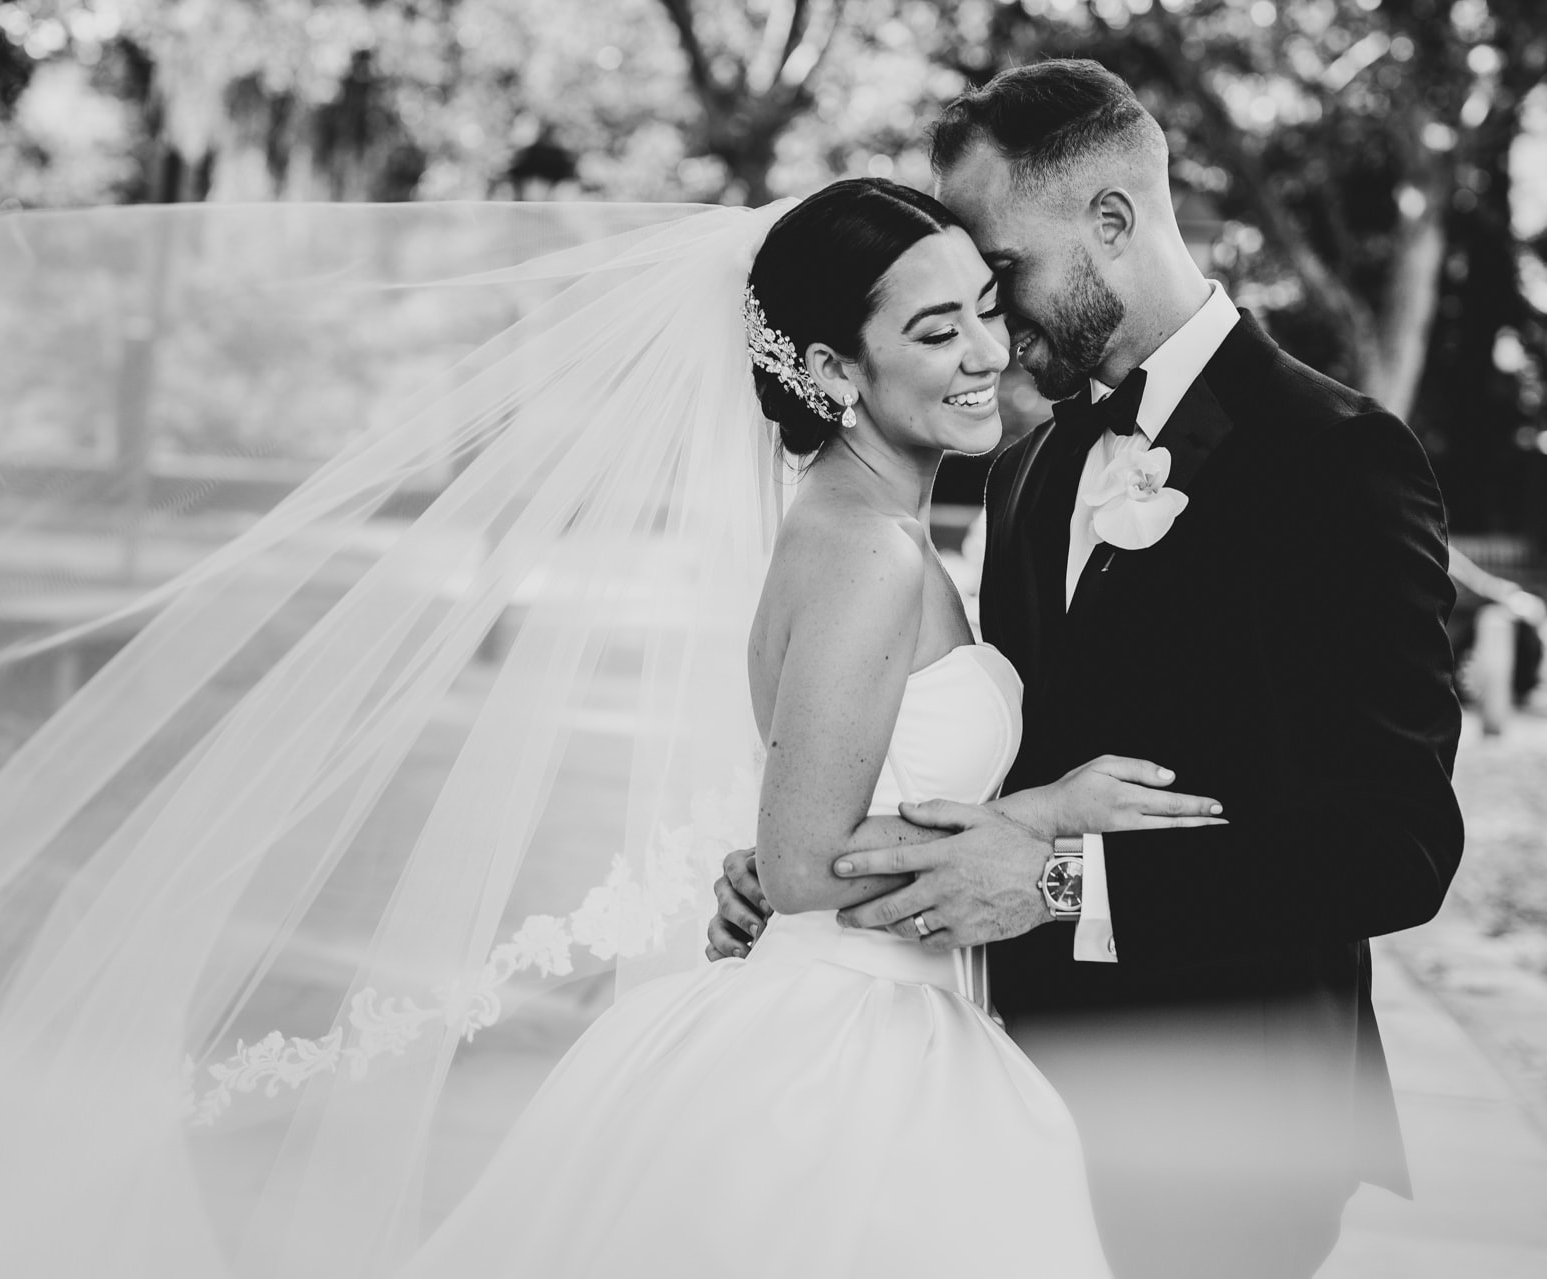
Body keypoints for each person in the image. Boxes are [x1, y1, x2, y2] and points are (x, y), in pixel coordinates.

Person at [709, 61, 1466, 1279]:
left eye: (997, 273)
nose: (988, 325)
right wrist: (818, 857)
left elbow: (1393, 847)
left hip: (1222, 1128)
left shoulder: (1336, 462)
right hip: (997, 1091)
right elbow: (981, 747)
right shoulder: (1026, 468)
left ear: (1109, 223)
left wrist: (1062, 881)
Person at [394, 177, 1226, 1278]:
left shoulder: (867, 528)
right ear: (833, 370)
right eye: (936, 330)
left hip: (874, 1013)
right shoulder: (867, 555)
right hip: (843, 1060)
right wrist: (1039, 813)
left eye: (985, 305)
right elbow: (798, 865)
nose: (985, 349)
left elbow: (814, 812)